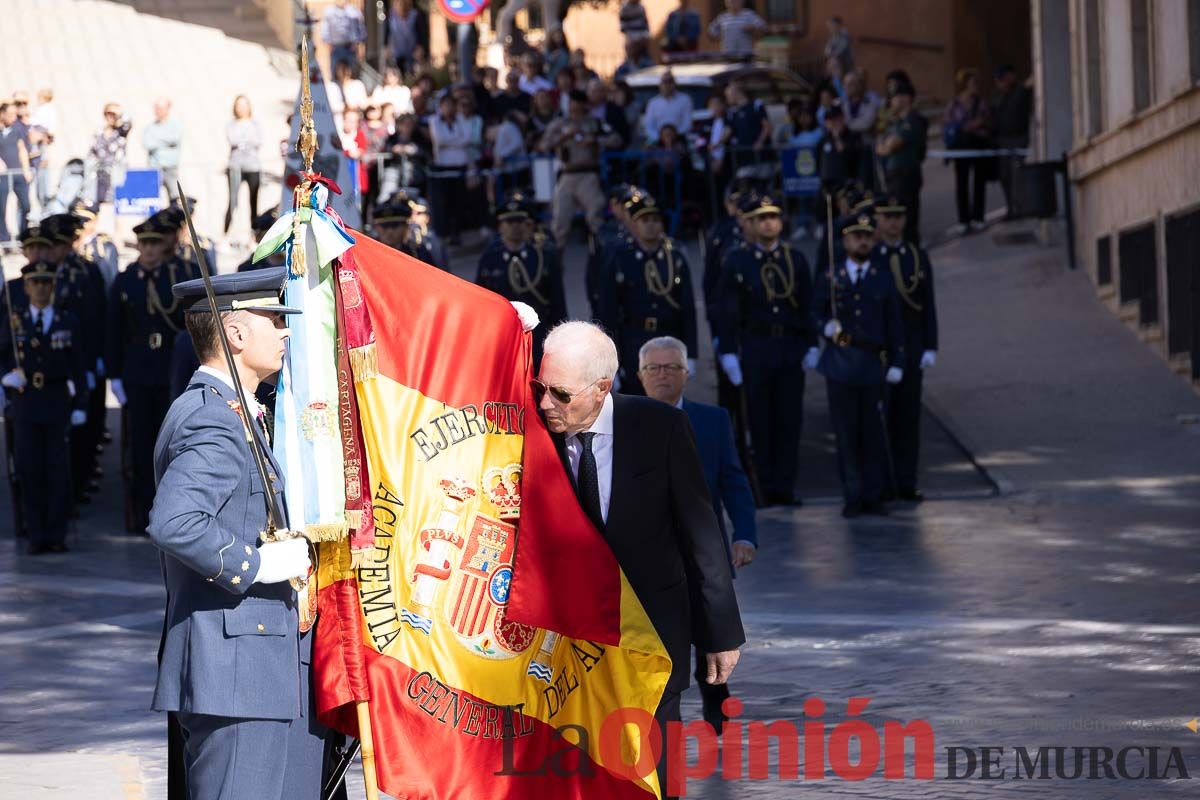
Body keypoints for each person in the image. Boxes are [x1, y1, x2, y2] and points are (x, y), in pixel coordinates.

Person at [536, 320, 744, 795]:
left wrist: (721, 634)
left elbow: (701, 532)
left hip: (652, 632)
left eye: (561, 394)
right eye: (540, 388)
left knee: (656, 768)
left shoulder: (660, 427)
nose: (547, 402)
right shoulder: (534, 431)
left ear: (602, 388)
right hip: (566, 643)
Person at [149, 266, 328, 800]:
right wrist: (260, 564)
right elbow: (175, 521)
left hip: (264, 670)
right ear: (235, 332)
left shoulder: (240, 413)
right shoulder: (212, 418)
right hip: (236, 675)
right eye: (274, 319)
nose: (285, 331)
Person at [638, 335, 756, 731]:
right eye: (654, 368)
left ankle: (716, 706)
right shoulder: (625, 418)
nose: (663, 376)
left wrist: (745, 535)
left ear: (687, 374)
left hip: (704, 551)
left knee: (710, 634)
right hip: (650, 554)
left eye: (672, 368)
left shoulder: (713, 420)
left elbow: (734, 482)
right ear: (639, 375)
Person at [717, 192, 815, 507]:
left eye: (773, 217)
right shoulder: (737, 260)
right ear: (751, 224)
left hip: (788, 346)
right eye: (762, 218)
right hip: (756, 347)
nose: (769, 223)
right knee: (759, 420)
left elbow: (806, 305)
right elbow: (728, 310)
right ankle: (763, 487)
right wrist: (729, 351)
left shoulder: (794, 259)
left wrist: (811, 343)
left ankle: (785, 487)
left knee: (789, 419)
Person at [107, 217, 197, 534]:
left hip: (170, 369)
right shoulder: (125, 280)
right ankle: (142, 509)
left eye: (155, 243)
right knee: (140, 446)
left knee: (173, 442)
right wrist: (114, 375)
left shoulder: (179, 275)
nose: (149, 250)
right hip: (137, 370)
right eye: (144, 244)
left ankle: (172, 509)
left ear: (164, 246)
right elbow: (114, 331)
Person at [812, 213, 904, 518]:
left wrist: (897, 360)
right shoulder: (831, 277)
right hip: (840, 365)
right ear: (845, 241)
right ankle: (852, 494)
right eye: (856, 236)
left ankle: (873, 494)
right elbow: (813, 312)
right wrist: (825, 326)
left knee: (872, 434)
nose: (862, 241)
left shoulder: (882, 276)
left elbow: (895, 323)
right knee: (846, 434)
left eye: (866, 236)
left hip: (871, 364)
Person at [0, 259, 87, 554]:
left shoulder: (67, 322)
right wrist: (5, 378)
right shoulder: (14, 322)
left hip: (56, 400)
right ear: (25, 286)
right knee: (29, 469)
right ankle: (35, 533)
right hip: (25, 402)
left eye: (46, 283)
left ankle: (56, 532)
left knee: (57, 469)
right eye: (35, 282)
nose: (41, 288)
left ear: (53, 286)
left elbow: (78, 367)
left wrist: (81, 405)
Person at [597, 192, 697, 394]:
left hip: (669, 335)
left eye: (655, 220)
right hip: (633, 338)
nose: (650, 225)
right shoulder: (620, 258)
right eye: (644, 220)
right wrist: (608, 361)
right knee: (636, 404)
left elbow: (688, 308)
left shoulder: (674, 258)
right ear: (634, 224)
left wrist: (692, 353)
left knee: (668, 401)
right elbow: (608, 311)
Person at [873, 196, 937, 501]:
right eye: (887, 216)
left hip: (911, 349)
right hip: (880, 350)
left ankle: (907, 481)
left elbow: (928, 305)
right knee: (881, 420)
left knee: (908, 420)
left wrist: (930, 344)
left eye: (898, 215)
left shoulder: (916, 256)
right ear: (878, 220)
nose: (894, 222)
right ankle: (884, 483)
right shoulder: (872, 257)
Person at [475, 191, 566, 367]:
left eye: (520, 222)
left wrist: (561, 340)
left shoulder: (543, 256)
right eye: (509, 222)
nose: (515, 227)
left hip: (539, 335)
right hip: (503, 337)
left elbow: (557, 302)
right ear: (500, 226)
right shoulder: (490, 258)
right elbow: (481, 301)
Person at [541, 90, 622, 247]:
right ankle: (555, 265)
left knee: (596, 219)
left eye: (578, 102)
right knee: (559, 223)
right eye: (572, 102)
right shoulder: (560, 123)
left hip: (589, 175)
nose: (575, 106)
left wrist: (596, 140)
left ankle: (602, 259)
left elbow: (616, 139)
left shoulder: (595, 123)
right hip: (567, 175)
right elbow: (543, 145)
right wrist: (563, 137)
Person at [943, 68, 993, 234]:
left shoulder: (981, 102)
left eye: (977, 83)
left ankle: (978, 217)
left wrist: (978, 124)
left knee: (979, 182)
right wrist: (963, 127)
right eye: (972, 83)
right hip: (961, 147)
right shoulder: (955, 104)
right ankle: (963, 220)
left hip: (978, 145)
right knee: (961, 183)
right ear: (965, 85)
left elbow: (987, 120)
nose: (975, 87)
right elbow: (948, 123)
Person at [876, 81, 926, 245]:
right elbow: (880, 147)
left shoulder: (914, 119)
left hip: (906, 174)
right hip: (894, 175)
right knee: (896, 217)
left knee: (908, 218)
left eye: (894, 97)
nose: (891, 102)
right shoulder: (896, 122)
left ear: (905, 98)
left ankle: (913, 252)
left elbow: (894, 144)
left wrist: (888, 146)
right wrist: (887, 146)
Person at [429, 93, 472, 242]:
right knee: (443, 202)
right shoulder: (434, 121)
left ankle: (457, 232)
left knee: (458, 202)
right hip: (442, 168)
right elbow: (440, 140)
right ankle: (444, 232)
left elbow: (467, 138)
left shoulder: (461, 120)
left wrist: (450, 142)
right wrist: (456, 141)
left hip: (459, 166)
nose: (448, 108)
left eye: (451, 104)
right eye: (445, 105)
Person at [990, 64, 1032, 217]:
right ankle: (1010, 207)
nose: (1002, 83)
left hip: (1018, 139)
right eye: (1000, 80)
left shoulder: (1020, 92)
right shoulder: (997, 97)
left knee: (1017, 175)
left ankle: (1020, 208)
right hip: (1003, 141)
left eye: (1004, 79)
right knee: (1005, 176)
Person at [224, 95, 263, 234]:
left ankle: (254, 234)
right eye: (239, 105)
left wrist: (242, 143)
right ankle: (226, 232)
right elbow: (233, 140)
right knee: (233, 201)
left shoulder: (255, 124)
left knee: (253, 202)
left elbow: (258, 141)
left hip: (253, 166)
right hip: (235, 166)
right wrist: (246, 141)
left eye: (244, 105)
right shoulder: (231, 124)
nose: (242, 109)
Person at [0, 102, 32, 242]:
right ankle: (4, 238)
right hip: (3, 175)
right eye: (10, 115)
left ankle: (23, 236)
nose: (14, 118)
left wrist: (26, 170)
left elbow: (22, 149)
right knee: (1, 207)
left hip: (18, 172)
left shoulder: (17, 130)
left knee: (26, 205)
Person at [370, 194, 434, 262]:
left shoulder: (418, 253)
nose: (390, 231)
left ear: (405, 227)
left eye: (395, 226)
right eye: (384, 226)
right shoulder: (368, 251)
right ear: (376, 227)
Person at [89, 103, 131, 206]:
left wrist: (118, 114)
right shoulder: (99, 131)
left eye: (114, 114)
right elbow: (93, 151)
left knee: (118, 205)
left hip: (116, 171)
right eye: (108, 113)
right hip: (100, 172)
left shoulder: (121, 131)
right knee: (98, 203)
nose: (111, 116)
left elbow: (129, 121)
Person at [143, 98, 183, 201]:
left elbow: (174, 139)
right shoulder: (150, 127)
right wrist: (165, 142)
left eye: (160, 108)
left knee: (175, 196)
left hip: (170, 167)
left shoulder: (175, 125)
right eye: (156, 108)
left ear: (167, 109)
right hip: (154, 168)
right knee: (152, 197)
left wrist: (157, 140)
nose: (158, 110)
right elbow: (147, 144)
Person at [721, 82, 770, 165]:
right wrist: (716, 144)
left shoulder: (756, 105)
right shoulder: (732, 112)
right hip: (743, 157)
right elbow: (728, 131)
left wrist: (760, 142)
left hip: (761, 156)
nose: (727, 99)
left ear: (735, 93)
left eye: (728, 95)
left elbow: (767, 126)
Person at [642, 71, 693, 146]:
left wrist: (673, 136)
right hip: (658, 141)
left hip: (679, 140)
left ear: (674, 84)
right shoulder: (653, 102)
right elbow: (649, 125)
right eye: (664, 82)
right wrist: (660, 138)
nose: (667, 85)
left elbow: (687, 123)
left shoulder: (685, 100)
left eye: (670, 82)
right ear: (660, 85)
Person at [321, 0, 367, 74]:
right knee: (335, 73)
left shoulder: (354, 11)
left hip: (350, 48)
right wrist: (329, 46)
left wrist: (357, 43)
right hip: (335, 47)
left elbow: (361, 30)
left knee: (353, 73)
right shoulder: (329, 12)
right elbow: (325, 31)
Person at [385, 0, 427, 78]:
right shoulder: (391, 16)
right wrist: (386, 47)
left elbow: (422, 33)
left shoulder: (415, 15)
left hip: (412, 52)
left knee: (413, 74)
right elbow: (387, 32)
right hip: (397, 51)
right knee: (398, 74)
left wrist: (420, 47)